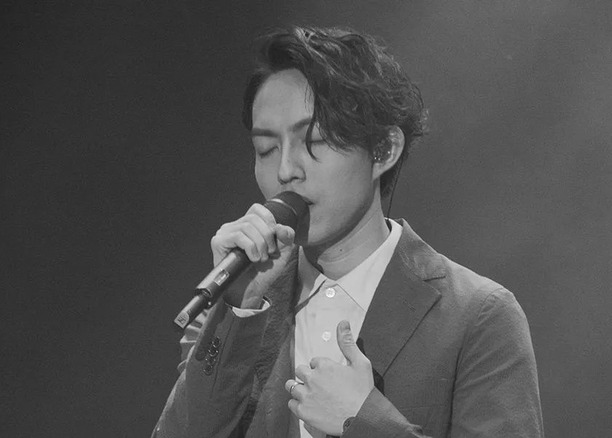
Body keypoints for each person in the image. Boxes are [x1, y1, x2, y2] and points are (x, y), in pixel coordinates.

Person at [152, 26, 544, 438]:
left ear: (383, 150)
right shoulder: (233, 310)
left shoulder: (478, 316)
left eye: (314, 140)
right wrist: (238, 311)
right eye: (266, 149)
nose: (285, 170)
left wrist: (365, 421)